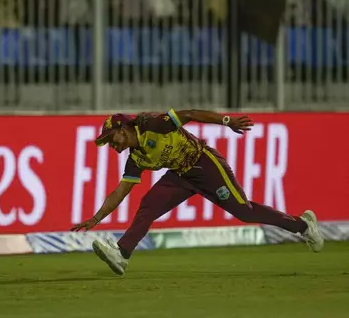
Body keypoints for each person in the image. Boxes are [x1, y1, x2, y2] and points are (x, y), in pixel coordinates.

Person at [71, 109, 324, 276]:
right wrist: (96, 219)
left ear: (123, 128)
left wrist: (227, 121)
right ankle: (122, 254)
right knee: (148, 205)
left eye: (111, 137)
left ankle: (303, 226)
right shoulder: (135, 158)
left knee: (243, 212)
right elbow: (120, 191)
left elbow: (190, 113)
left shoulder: (153, 124)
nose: (110, 144)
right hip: (180, 176)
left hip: (204, 164)